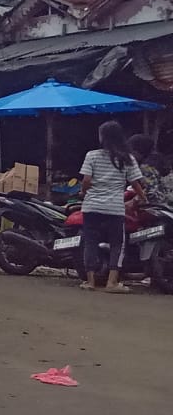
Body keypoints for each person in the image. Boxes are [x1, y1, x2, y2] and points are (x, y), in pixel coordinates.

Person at [78, 121, 145, 292]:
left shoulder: (91, 155)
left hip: (91, 206)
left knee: (90, 243)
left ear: (103, 137)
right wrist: (142, 197)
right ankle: (112, 283)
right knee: (117, 244)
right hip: (114, 208)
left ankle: (90, 282)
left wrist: (84, 192)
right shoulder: (127, 158)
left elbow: (86, 180)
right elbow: (135, 182)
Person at [129, 133, 167, 204]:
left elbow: (151, 191)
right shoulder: (159, 159)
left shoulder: (146, 167)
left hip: (160, 205)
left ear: (139, 151)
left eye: (132, 151)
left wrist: (133, 201)